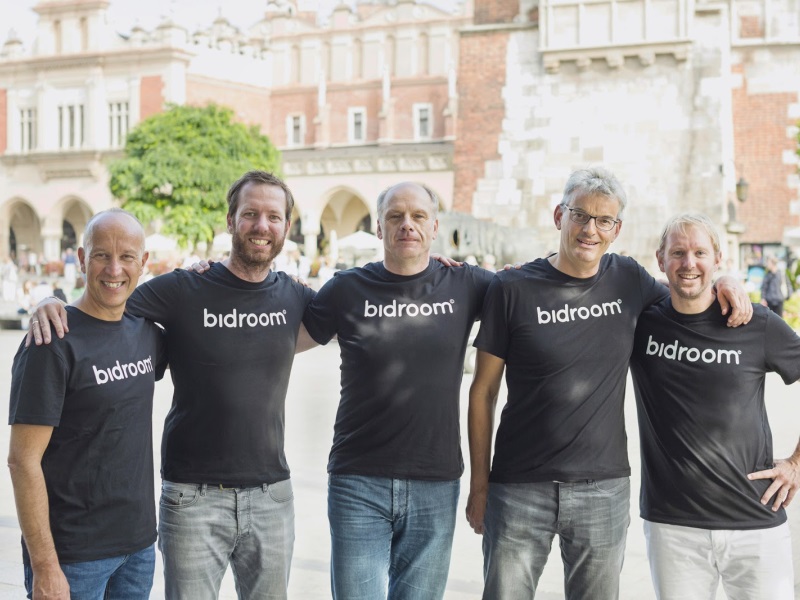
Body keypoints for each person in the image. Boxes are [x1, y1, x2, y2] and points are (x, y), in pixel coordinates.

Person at [465, 167, 752, 599]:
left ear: (616, 230)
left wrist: (726, 279)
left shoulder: (628, 279)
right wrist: (479, 485)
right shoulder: (512, 288)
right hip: (519, 487)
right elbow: (483, 391)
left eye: (604, 221)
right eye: (580, 215)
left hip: (602, 490)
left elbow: (687, 294)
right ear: (559, 215)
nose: (590, 230)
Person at [27, 171, 315, 600]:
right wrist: (49, 301)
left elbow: (347, 312)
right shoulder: (184, 288)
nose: (261, 225)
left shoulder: (296, 296)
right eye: (250, 213)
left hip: (271, 496)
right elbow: (107, 299)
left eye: (273, 216)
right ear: (230, 220)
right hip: (192, 497)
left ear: (287, 227)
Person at [300, 182, 494, 599]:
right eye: (395, 216)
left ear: (435, 226)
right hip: (358, 481)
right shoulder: (346, 288)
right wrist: (214, 280)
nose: (407, 224)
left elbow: (529, 287)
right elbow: (281, 336)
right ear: (378, 227)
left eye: (419, 216)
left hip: (435, 482)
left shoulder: (466, 283)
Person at [629, 213, 800, 599]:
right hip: (673, 527)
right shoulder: (642, 323)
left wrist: (796, 463)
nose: (689, 263)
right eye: (678, 253)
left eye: (700, 253)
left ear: (719, 258)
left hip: (755, 520)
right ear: (660, 260)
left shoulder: (755, 323)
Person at [7, 209, 167, 599]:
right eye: (101, 255)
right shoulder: (51, 341)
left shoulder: (147, 333)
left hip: (139, 548)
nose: (114, 269)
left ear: (143, 262)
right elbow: (22, 461)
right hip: (73, 556)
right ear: (81, 259)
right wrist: (45, 566)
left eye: (127, 256)